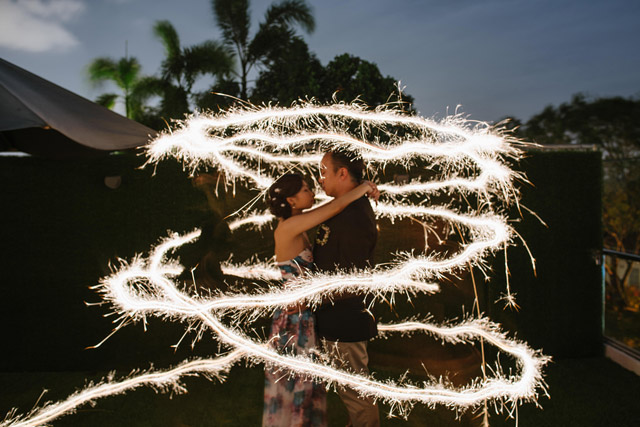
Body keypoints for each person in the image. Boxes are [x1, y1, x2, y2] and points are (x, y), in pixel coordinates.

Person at [262, 173, 379, 427]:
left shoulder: (297, 222)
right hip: (293, 321)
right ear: (292, 200)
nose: (312, 193)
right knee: (297, 387)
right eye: (306, 189)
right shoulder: (288, 227)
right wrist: (363, 188)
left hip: (305, 315)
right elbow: (335, 206)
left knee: (308, 386)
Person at [313, 150, 381, 427]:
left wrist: (310, 296)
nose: (320, 178)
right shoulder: (343, 207)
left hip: (345, 319)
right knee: (349, 389)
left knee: (356, 392)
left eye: (324, 170)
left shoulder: (353, 216)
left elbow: (353, 279)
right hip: (335, 317)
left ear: (342, 173)